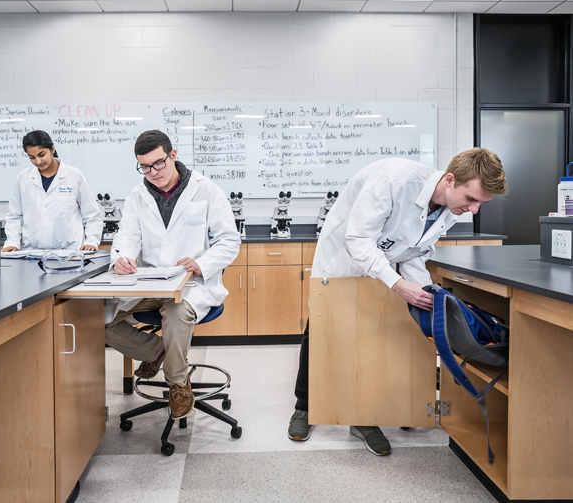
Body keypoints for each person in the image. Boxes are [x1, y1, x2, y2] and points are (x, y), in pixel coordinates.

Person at [288, 148, 508, 455]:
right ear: (449, 180)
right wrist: (398, 284)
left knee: (370, 338)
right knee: (323, 331)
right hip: (342, 260)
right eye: (471, 199)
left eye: (480, 204)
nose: (473, 210)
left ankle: (363, 417)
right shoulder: (393, 180)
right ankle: (304, 407)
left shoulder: (448, 209)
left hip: (382, 265)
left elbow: (416, 251)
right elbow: (358, 241)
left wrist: (424, 290)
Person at [106, 130, 240, 420]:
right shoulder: (137, 196)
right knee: (98, 320)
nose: (153, 172)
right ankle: (157, 352)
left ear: (173, 155)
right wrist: (122, 258)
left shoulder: (206, 190)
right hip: (151, 281)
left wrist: (202, 262)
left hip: (192, 282)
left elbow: (229, 241)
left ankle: (178, 383)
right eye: (145, 166)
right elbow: (127, 235)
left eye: (159, 163)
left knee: (177, 312)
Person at [3, 130, 102, 253]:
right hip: (32, 253)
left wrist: (91, 241)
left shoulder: (74, 176)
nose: (38, 161)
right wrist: (12, 242)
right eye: (32, 157)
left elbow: (91, 215)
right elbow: (15, 216)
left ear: (52, 149)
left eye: (41, 154)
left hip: (69, 253)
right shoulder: (23, 178)